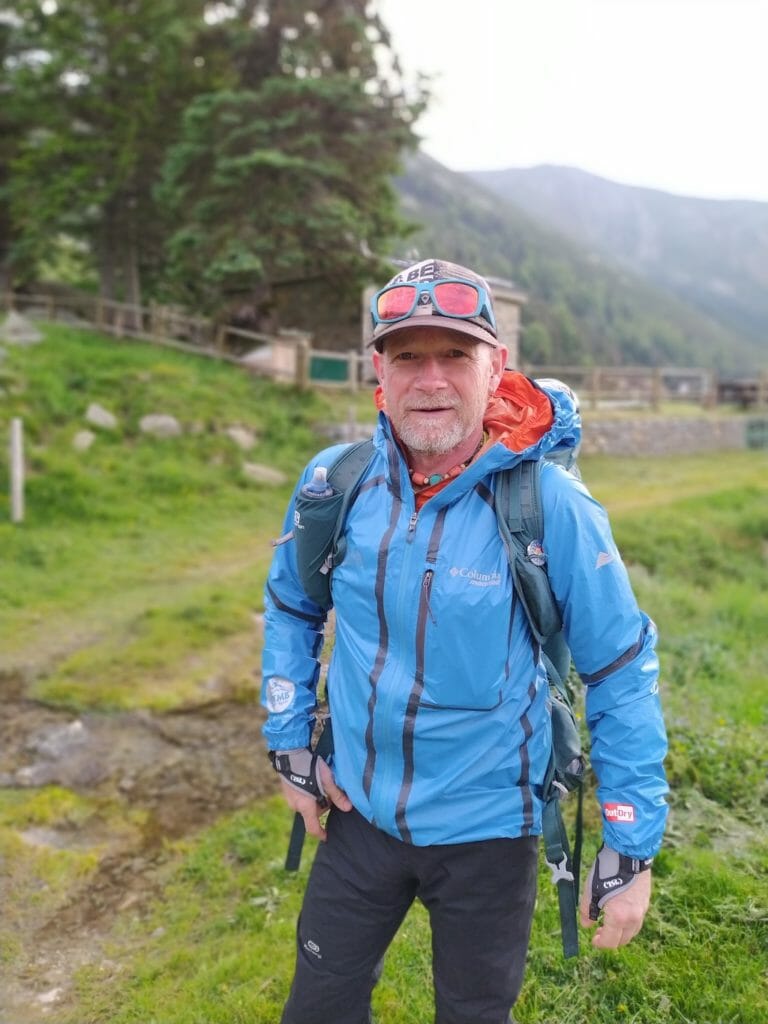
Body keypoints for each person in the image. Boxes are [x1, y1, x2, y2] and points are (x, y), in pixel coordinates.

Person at [261, 258, 668, 1024]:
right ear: (378, 370)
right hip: (359, 815)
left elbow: (618, 668)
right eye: (407, 356)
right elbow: (291, 607)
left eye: (455, 354)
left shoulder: (550, 506)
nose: (431, 379)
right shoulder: (335, 484)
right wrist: (289, 745)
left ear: (496, 366)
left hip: (491, 832)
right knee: (317, 1007)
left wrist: (629, 842)